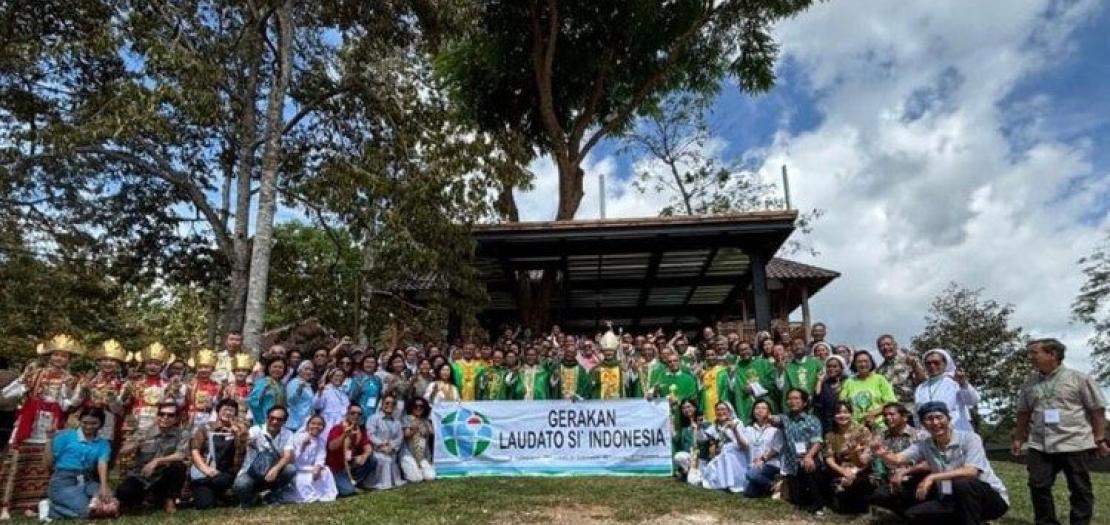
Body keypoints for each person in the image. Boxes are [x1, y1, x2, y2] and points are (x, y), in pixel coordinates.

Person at [1012, 338, 1108, 525]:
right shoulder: (1030, 382)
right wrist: (1018, 438)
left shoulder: (1078, 379)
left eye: (1034, 353)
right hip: (1040, 443)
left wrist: (1099, 437)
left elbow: (1097, 410)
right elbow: (1023, 412)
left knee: (1080, 489)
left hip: (1074, 441)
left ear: (1052, 354)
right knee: (1038, 485)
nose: (1030, 357)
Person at [873, 401, 1009, 525]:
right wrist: (882, 453)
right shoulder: (924, 445)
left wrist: (932, 477)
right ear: (923, 424)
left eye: (939, 417)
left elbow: (971, 471)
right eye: (929, 419)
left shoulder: (970, 438)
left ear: (949, 419)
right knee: (913, 515)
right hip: (950, 497)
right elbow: (897, 459)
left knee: (962, 482)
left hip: (989, 501)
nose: (935, 423)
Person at [0, 335, 82, 520]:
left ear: (69, 359)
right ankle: (6, 504)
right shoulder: (35, 373)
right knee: (17, 460)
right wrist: (22, 379)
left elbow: (67, 405)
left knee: (43, 463)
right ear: (49, 356)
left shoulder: (70, 379)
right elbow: (11, 391)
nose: (59, 359)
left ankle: (31, 504)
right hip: (30, 421)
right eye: (56, 355)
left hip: (51, 422)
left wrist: (80, 395)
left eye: (64, 356)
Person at [115, 402, 189, 514]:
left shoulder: (182, 434)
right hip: (142, 475)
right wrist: (137, 443)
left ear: (176, 418)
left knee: (178, 466)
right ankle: (146, 498)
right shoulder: (144, 431)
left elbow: (181, 455)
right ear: (157, 415)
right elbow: (122, 452)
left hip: (164, 476)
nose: (165, 417)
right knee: (124, 492)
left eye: (170, 415)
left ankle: (169, 499)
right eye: (162, 414)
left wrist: (157, 461)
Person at [43, 407, 113, 520]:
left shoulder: (103, 443)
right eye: (85, 422)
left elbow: (102, 463)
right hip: (64, 481)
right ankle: (50, 509)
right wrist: (49, 440)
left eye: (94, 423)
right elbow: (47, 463)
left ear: (101, 424)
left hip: (87, 480)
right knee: (86, 513)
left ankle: (87, 503)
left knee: (110, 502)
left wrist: (104, 487)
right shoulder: (66, 436)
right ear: (80, 421)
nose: (89, 426)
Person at [775, 388, 826, 516]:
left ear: (804, 402)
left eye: (796, 398)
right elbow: (773, 419)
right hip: (793, 464)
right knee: (797, 500)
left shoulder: (813, 420)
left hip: (809, 458)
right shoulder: (785, 418)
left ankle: (819, 503)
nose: (792, 401)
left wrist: (808, 456)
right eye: (790, 398)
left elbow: (818, 441)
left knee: (811, 466)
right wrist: (766, 415)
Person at [189, 399, 248, 510]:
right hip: (206, 473)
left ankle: (223, 494)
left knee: (223, 480)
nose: (228, 413)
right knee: (204, 505)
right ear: (218, 411)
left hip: (227, 473)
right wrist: (206, 470)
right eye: (225, 409)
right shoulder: (205, 428)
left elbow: (242, 452)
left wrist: (237, 435)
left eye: (232, 410)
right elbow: (195, 450)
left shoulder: (241, 430)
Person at [870, 402, 926, 518]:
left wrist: (904, 472)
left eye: (891, 414)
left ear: (904, 417)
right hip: (889, 478)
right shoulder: (881, 436)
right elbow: (866, 458)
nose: (887, 418)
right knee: (877, 494)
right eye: (885, 415)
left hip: (913, 476)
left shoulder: (919, 435)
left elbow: (927, 461)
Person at [234, 405, 295, 507]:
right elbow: (246, 440)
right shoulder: (255, 430)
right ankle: (250, 500)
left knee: (290, 469)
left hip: (271, 474)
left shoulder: (288, 433)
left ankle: (272, 496)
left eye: (279, 419)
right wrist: (242, 438)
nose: (275, 422)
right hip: (252, 473)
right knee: (241, 483)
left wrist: (275, 469)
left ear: (285, 421)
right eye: (272, 418)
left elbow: (287, 456)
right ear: (267, 418)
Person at [823, 401, 874, 514]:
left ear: (851, 414)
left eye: (845, 412)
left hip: (861, 469)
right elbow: (829, 458)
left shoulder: (862, 431)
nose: (842, 416)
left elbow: (868, 458)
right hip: (841, 470)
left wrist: (854, 472)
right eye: (838, 413)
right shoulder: (830, 435)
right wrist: (843, 471)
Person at [914, 349, 979, 432]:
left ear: (945, 364)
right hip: (932, 434)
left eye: (936, 362)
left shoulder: (955, 382)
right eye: (928, 363)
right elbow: (918, 414)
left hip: (957, 431)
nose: (932, 366)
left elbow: (973, 401)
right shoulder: (921, 388)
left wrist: (963, 383)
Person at [282, 415, 337, 503]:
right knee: (304, 478)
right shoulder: (297, 437)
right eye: (313, 423)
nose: (316, 426)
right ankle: (306, 495)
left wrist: (318, 467)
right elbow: (292, 459)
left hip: (310, 468)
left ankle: (321, 494)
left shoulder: (321, 441)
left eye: (320, 424)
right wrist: (303, 446)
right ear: (308, 425)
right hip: (297, 468)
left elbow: (321, 457)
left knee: (326, 471)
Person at [839, 350, 896, 430]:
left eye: (866, 361)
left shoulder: (880, 379)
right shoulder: (849, 382)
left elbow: (891, 402)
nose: (863, 364)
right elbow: (842, 403)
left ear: (871, 363)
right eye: (859, 362)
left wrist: (873, 414)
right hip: (856, 428)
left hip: (879, 426)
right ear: (854, 364)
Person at [699, 402, 749, 493]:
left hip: (736, 452)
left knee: (728, 453)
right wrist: (699, 427)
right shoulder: (715, 426)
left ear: (729, 411)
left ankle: (733, 483)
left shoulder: (737, 423)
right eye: (718, 410)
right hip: (721, 453)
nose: (720, 412)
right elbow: (703, 439)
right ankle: (723, 483)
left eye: (723, 409)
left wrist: (734, 430)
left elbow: (744, 445)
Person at [326, 405, 374, 496]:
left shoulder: (360, 430)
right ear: (347, 414)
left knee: (372, 460)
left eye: (359, 414)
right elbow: (331, 447)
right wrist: (344, 435)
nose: (356, 416)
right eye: (353, 413)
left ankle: (354, 482)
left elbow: (368, 446)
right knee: (348, 491)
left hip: (350, 463)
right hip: (336, 467)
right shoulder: (337, 428)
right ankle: (343, 484)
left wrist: (364, 455)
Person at [742, 400, 783, 498]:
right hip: (753, 464)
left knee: (751, 474)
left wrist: (763, 459)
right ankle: (773, 486)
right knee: (749, 493)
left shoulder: (775, 430)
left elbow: (777, 448)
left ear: (769, 413)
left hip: (771, 464)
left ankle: (774, 485)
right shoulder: (748, 429)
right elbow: (743, 445)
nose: (759, 411)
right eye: (757, 408)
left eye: (763, 408)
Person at [874, 334, 925, 408]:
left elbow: (923, 381)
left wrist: (915, 366)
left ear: (895, 345)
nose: (885, 347)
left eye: (888, 344)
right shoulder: (879, 371)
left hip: (913, 405)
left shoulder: (909, 359)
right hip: (894, 410)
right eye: (882, 346)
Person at [366, 394, 406, 490]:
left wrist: (391, 447)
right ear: (381, 404)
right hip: (376, 450)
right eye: (387, 403)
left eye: (392, 403)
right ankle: (378, 482)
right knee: (384, 460)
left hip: (390, 451)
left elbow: (399, 437)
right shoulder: (373, 418)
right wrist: (381, 444)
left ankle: (392, 480)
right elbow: (370, 434)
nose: (389, 405)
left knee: (390, 459)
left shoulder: (397, 422)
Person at [731, 341, 774, 424]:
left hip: (765, 401)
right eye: (741, 350)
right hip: (746, 405)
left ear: (751, 349)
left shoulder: (763, 363)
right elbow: (733, 387)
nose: (744, 352)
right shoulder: (737, 368)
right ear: (738, 353)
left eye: (746, 349)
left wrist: (754, 387)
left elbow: (772, 381)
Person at [185, 348, 222, 431]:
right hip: (191, 417)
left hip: (208, 417)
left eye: (206, 367)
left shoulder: (217, 386)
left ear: (212, 369)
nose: (203, 370)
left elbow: (217, 405)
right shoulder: (191, 384)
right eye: (200, 367)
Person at [400, 397, 436, 483]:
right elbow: (406, 434)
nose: (418, 408)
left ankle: (419, 469)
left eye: (421, 406)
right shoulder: (406, 418)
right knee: (417, 479)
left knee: (431, 477)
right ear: (411, 407)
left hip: (422, 456)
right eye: (415, 406)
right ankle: (409, 470)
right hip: (408, 454)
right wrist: (414, 428)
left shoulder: (426, 421)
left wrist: (425, 425)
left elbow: (432, 433)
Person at [672, 400, 708, 484]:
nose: (686, 410)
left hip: (702, 457)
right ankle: (687, 471)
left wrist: (698, 427)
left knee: (695, 481)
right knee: (678, 456)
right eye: (684, 408)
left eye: (689, 407)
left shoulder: (704, 423)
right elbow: (675, 439)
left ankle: (692, 473)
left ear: (694, 408)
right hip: (690, 458)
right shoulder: (684, 428)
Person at [247, 357, 287, 426]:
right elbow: (252, 401)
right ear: (269, 368)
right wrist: (262, 394)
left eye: (280, 367)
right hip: (264, 419)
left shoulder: (281, 385)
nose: (277, 369)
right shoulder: (262, 382)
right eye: (275, 367)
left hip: (278, 421)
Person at [813, 355, 848, 433]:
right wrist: (819, 381)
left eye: (835, 366)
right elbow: (817, 400)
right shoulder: (825, 384)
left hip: (844, 421)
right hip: (828, 424)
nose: (832, 369)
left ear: (841, 368)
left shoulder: (847, 382)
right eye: (829, 366)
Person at [698, 348, 732, 425]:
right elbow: (700, 391)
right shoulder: (702, 373)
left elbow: (726, 390)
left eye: (712, 355)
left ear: (716, 356)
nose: (710, 357)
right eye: (708, 355)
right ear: (705, 358)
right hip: (706, 406)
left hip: (720, 405)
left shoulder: (723, 372)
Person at [315, 368, 351, 435]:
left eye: (341, 376)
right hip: (327, 422)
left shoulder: (344, 393)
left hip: (341, 423)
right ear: (331, 377)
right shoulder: (325, 389)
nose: (339, 378)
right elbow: (317, 406)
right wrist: (320, 392)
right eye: (337, 376)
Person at [285, 361, 316, 432]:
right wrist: (299, 390)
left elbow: (310, 403)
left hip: (305, 422)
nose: (309, 372)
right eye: (306, 369)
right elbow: (290, 401)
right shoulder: (294, 382)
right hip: (294, 423)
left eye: (311, 370)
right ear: (299, 370)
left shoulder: (308, 385)